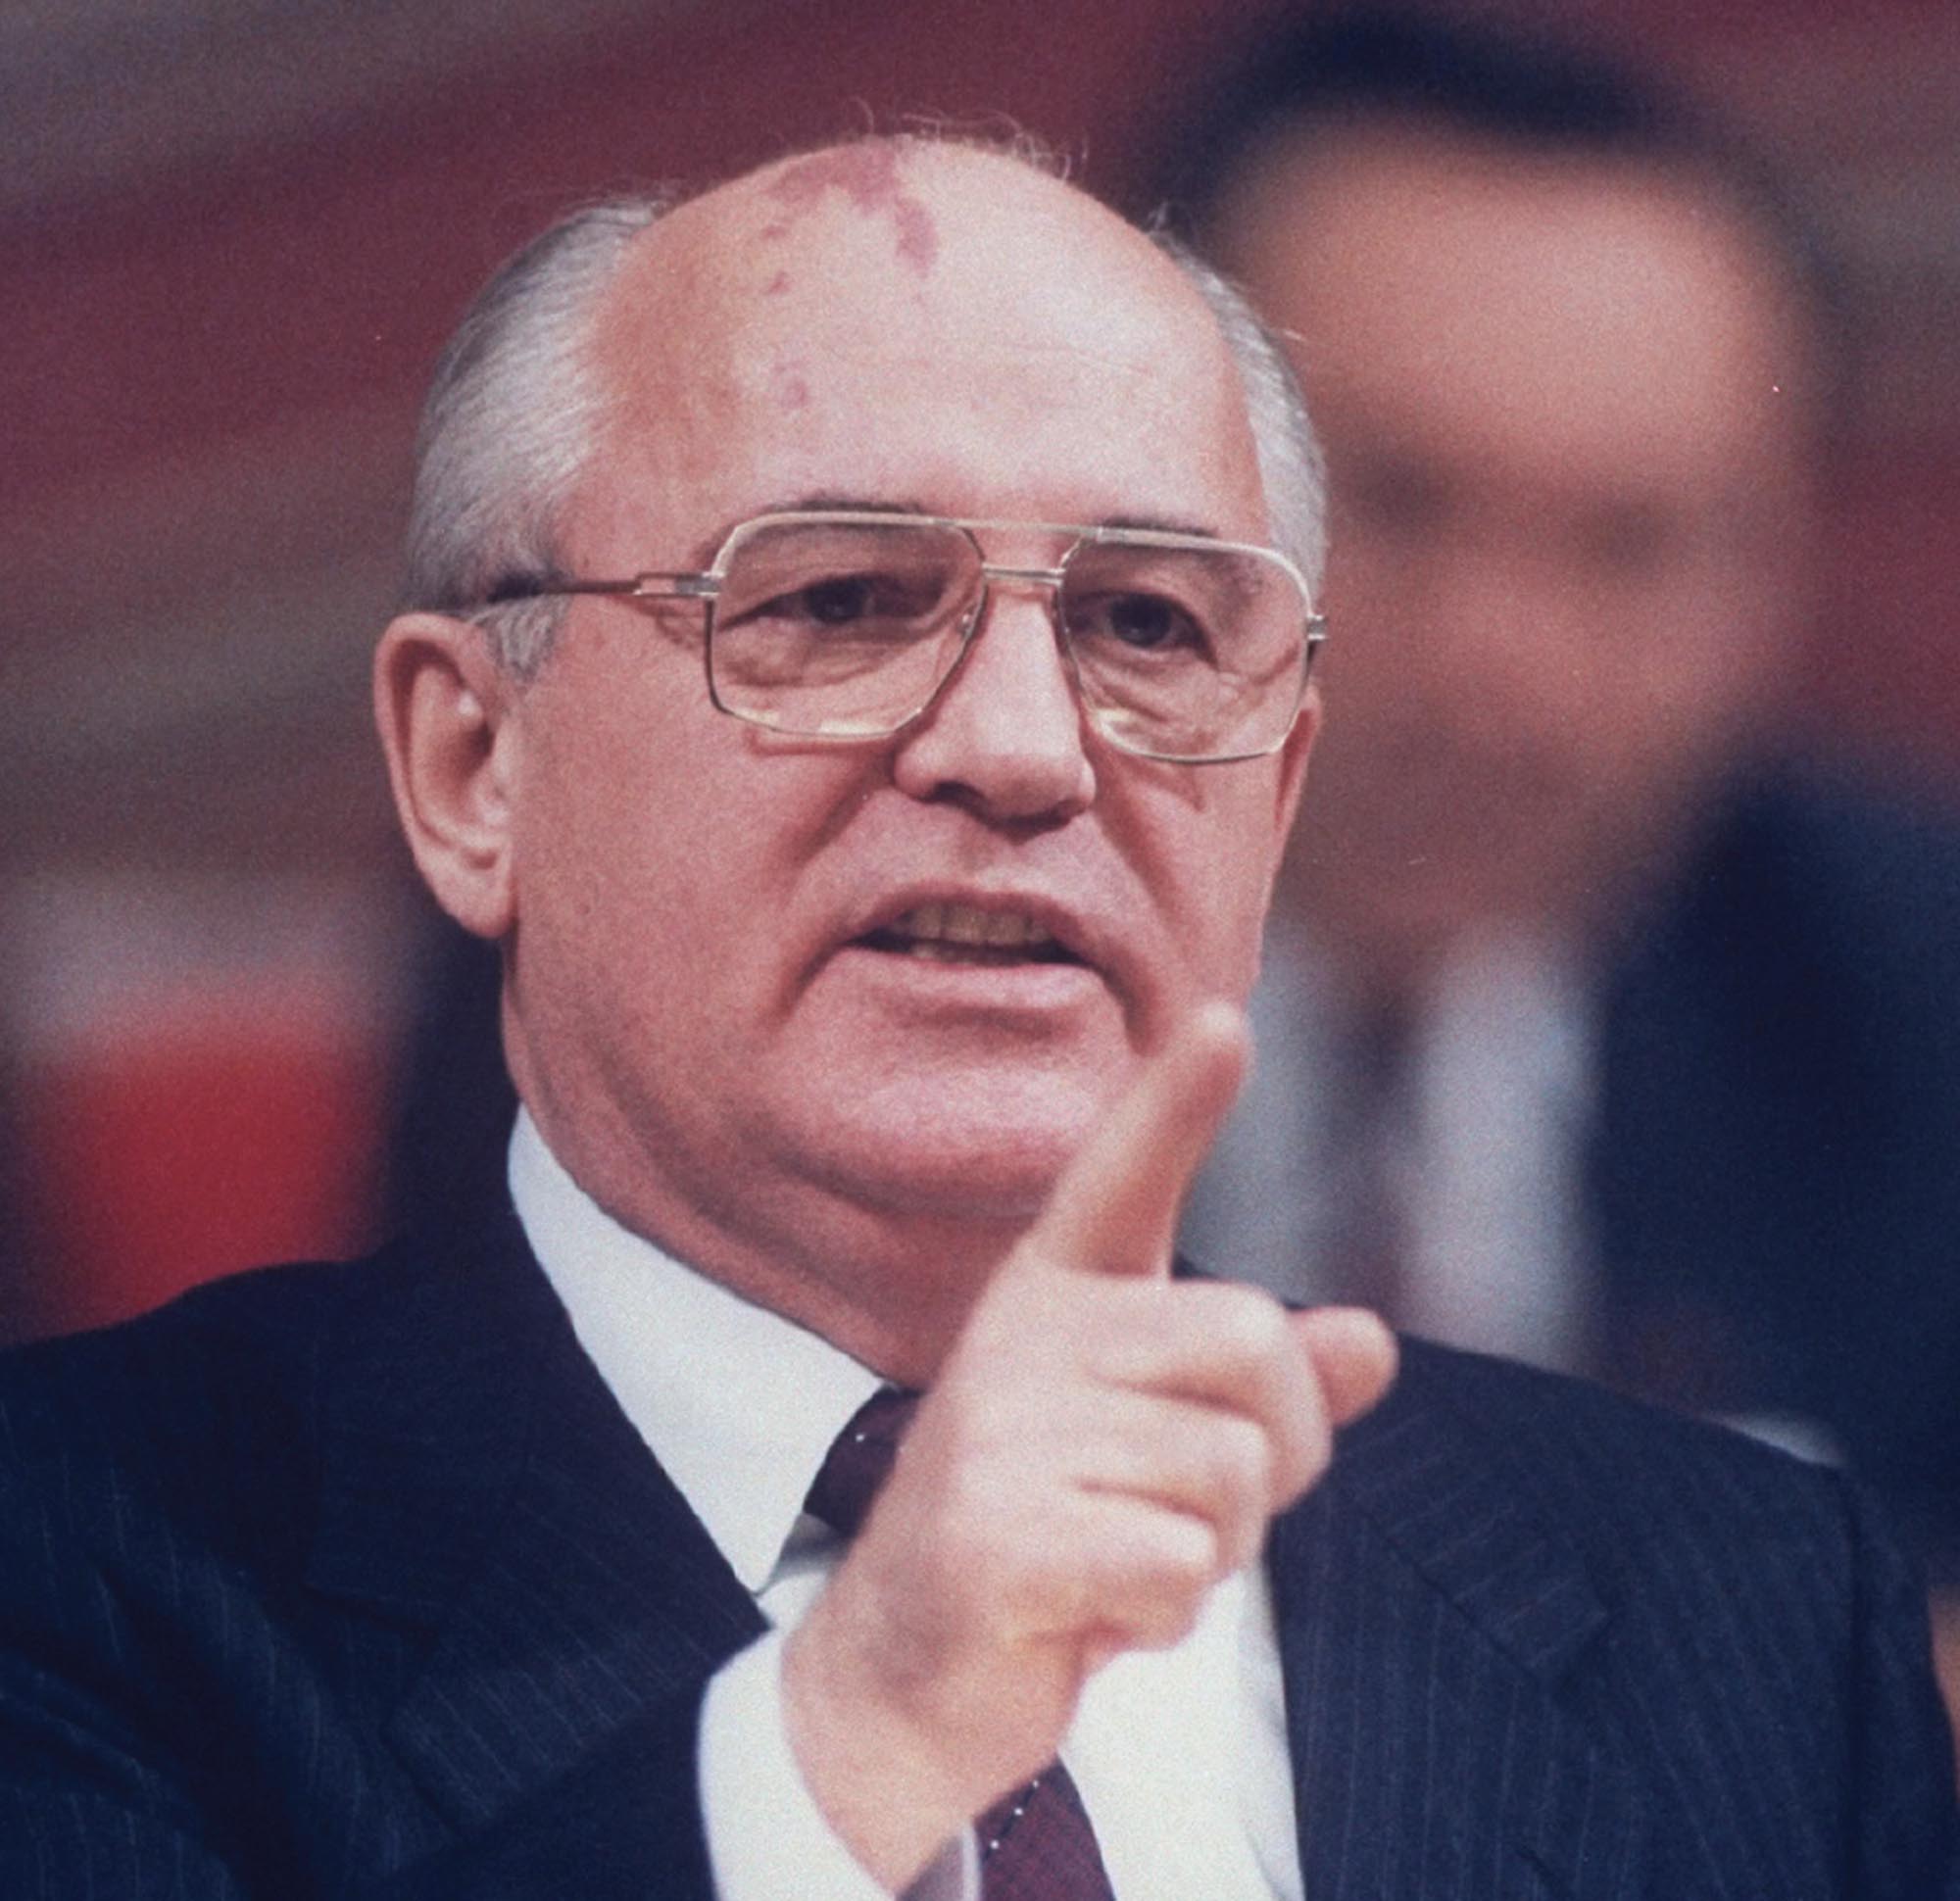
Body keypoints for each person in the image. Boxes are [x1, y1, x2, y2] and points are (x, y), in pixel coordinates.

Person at [0, 132, 1952, 1900]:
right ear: (472, 762)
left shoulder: (1755, 1613)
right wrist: (838, 1747)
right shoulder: (78, 1568)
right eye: (837, 599)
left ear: (1271, 792)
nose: (1026, 752)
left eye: (1147, 626)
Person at [1162, 10, 1960, 1574]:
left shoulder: (1912, 1000)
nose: (1501, 674)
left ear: (1778, 565)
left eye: (1633, 545)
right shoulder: (835, 954)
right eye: (1387, 500)